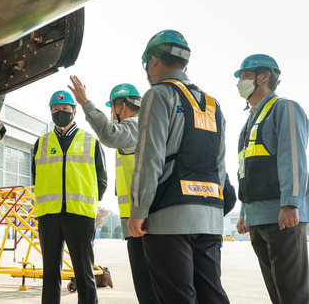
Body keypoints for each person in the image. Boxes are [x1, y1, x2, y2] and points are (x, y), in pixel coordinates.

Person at [127, 29, 230, 304]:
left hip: (169, 216)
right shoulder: (213, 104)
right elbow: (220, 165)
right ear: (185, 64)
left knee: (177, 296)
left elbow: (150, 158)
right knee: (212, 294)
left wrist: (138, 209)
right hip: (209, 217)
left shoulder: (158, 95)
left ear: (154, 61)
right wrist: (215, 209)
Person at [68, 76, 157, 304]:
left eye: (112, 107)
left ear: (121, 106)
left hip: (143, 223)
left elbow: (109, 134)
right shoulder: (144, 127)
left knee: (149, 288)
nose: (112, 113)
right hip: (139, 221)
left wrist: (86, 103)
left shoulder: (135, 126)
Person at [234, 54, 309, 304]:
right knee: (277, 293)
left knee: (293, 293)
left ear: (263, 77)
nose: (240, 82)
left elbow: (294, 157)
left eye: (244, 76)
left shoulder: (284, 108)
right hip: (258, 218)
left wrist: (290, 203)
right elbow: (246, 168)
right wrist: (244, 210)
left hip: (282, 216)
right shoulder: (249, 121)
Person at [32, 90, 108, 304]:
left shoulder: (90, 141)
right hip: (49, 216)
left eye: (65, 109)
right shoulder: (41, 143)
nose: (60, 113)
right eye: (56, 110)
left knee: (84, 272)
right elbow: (36, 177)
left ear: (74, 112)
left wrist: (91, 201)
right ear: (50, 112)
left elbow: (101, 177)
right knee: (50, 274)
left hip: (80, 215)